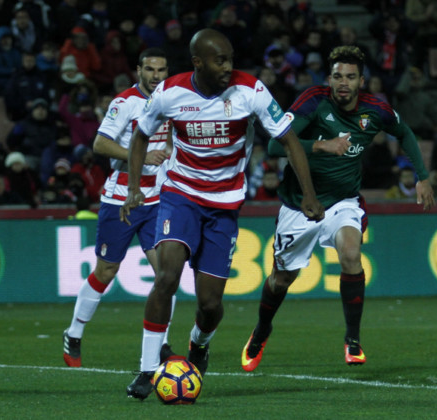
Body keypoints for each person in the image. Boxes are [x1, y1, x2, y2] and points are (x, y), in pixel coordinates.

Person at [120, 29, 325, 399]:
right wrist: (135, 188)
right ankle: (148, 369)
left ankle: (200, 343)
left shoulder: (252, 91)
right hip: (179, 195)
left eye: (231, 58)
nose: (229, 66)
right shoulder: (169, 92)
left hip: (224, 206)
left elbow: (290, 140)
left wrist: (308, 194)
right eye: (220, 60)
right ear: (198, 62)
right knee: (166, 276)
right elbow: (139, 137)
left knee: (211, 304)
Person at [240, 46, 435, 373]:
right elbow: (275, 145)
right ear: (328, 78)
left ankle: (353, 340)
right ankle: (261, 331)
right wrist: (322, 145)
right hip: (300, 203)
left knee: (350, 256)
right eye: (337, 76)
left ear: (362, 81)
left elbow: (404, 132)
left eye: (350, 77)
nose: (343, 83)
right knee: (281, 278)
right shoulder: (313, 101)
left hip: (344, 201)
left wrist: (423, 177)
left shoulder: (375, 109)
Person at [62, 48, 175, 369]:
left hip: (158, 198)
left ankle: (163, 344)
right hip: (121, 198)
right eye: (150, 69)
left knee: (166, 274)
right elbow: (99, 144)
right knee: (106, 271)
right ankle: (74, 331)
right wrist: (137, 154)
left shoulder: (171, 101)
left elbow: (171, 140)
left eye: (162, 70)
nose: (156, 76)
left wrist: (168, 152)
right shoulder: (124, 103)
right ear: (138, 70)